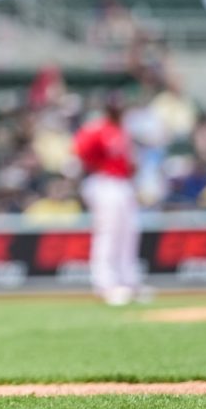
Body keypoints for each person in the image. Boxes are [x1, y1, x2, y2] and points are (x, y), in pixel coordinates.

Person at [74, 93, 144, 306]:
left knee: (129, 231)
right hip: (105, 183)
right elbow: (79, 150)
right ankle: (105, 284)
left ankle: (128, 281)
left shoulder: (122, 130)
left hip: (123, 184)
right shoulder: (98, 128)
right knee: (109, 233)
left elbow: (129, 161)